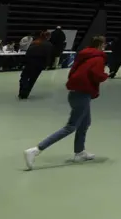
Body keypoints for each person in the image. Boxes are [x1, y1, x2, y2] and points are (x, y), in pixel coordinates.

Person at [24, 35, 109, 169]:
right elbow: (97, 75)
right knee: (71, 126)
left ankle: (79, 152)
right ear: (101, 45)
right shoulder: (98, 58)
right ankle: (36, 150)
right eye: (104, 44)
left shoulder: (83, 56)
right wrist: (105, 75)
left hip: (75, 93)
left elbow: (73, 72)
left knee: (85, 123)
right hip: (83, 94)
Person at [19, 31, 53, 99]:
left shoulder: (34, 42)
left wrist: (24, 62)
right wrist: (47, 64)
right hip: (39, 63)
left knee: (24, 77)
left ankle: (22, 91)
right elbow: (48, 55)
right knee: (32, 79)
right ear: (48, 37)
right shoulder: (49, 44)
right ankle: (25, 94)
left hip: (29, 62)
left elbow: (28, 52)